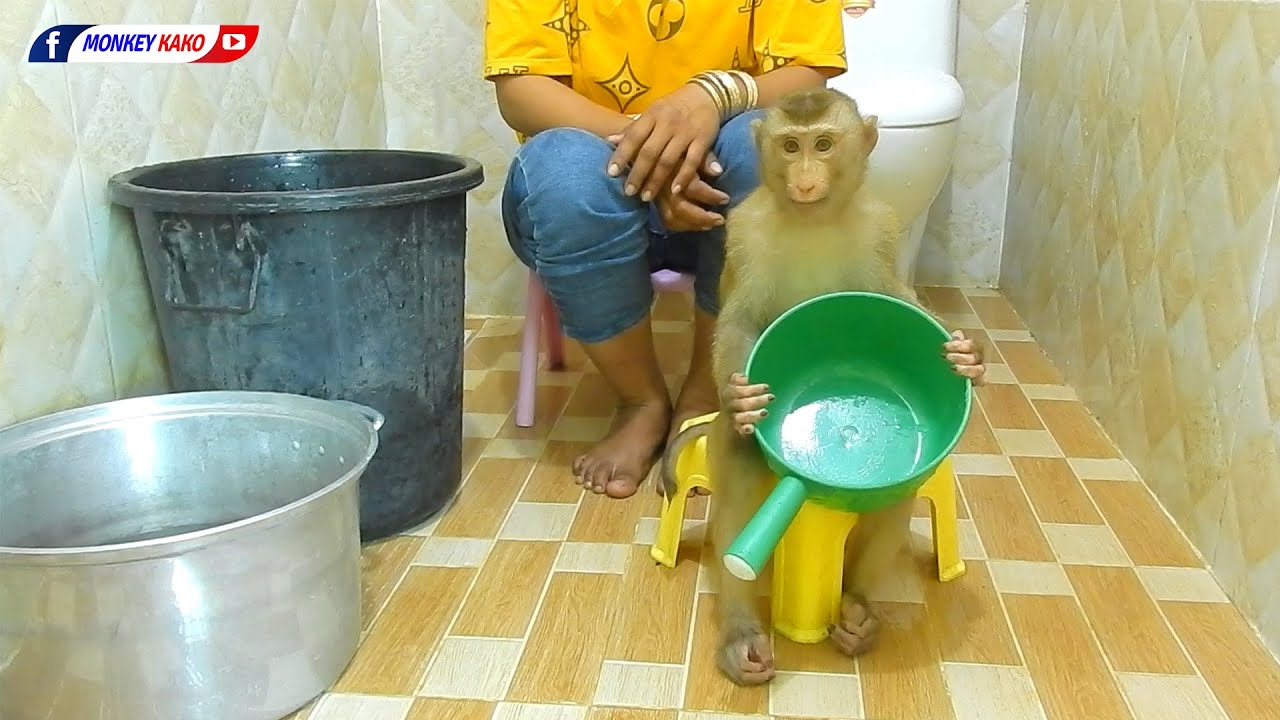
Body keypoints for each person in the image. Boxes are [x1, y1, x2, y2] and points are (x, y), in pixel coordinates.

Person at [484, 0, 848, 499]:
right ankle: (641, 402)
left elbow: (807, 78)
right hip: (595, 176)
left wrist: (710, 99)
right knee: (562, 172)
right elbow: (521, 90)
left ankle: (706, 393)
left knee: (761, 141)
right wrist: (658, 149)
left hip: (720, 184)